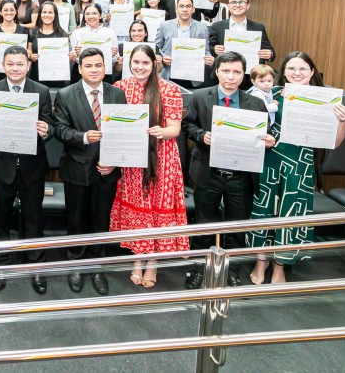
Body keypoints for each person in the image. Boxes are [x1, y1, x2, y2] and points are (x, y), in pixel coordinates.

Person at [248, 52, 345, 285]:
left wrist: (342, 121)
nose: (297, 73)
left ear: (312, 72)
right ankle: (260, 260)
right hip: (269, 161)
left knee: (290, 214)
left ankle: (280, 265)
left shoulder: (326, 99)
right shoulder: (270, 93)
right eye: (291, 68)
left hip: (299, 166)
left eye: (303, 68)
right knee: (263, 210)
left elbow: (334, 143)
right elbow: (252, 126)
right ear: (283, 71)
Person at [182, 51, 274, 289]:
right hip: (208, 172)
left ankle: (231, 270)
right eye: (226, 71)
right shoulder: (200, 97)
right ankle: (200, 268)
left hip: (241, 175)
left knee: (236, 227)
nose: (231, 77)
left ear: (244, 75)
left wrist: (268, 140)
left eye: (236, 72)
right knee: (204, 225)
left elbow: (266, 133)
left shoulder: (255, 103)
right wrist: (201, 135)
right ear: (217, 72)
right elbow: (187, 124)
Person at [0, 45, 54, 295]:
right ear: (2, 65)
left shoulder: (41, 91)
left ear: (28, 65)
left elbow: (51, 125)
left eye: (20, 64)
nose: (15, 68)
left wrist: (47, 130)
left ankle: (35, 266)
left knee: (33, 218)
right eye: (10, 64)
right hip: (3, 166)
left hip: (32, 167)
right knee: (0, 219)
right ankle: (1, 265)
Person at [54, 47, 127, 295]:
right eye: (88, 66)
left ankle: (97, 266)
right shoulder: (65, 94)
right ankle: (76, 264)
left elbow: (124, 131)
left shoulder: (117, 94)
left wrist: (115, 162)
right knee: (76, 220)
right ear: (80, 69)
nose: (94, 70)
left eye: (98, 65)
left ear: (105, 68)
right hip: (77, 168)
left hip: (107, 169)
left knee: (100, 220)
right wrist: (83, 136)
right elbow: (59, 130)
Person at [111, 44, 186, 287]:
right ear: (129, 63)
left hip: (162, 157)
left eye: (145, 63)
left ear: (154, 64)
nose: (140, 67)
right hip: (132, 159)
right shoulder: (120, 87)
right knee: (138, 209)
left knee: (156, 209)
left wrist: (160, 131)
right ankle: (137, 259)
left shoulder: (170, 89)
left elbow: (175, 129)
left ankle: (152, 263)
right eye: (136, 62)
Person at [208, 0, 276, 73]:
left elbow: (270, 51)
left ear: (248, 6)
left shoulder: (258, 27)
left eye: (241, 2)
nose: (237, 5)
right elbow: (210, 48)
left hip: (250, 74)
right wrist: (214, 49)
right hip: (226, 73)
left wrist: (269, 54)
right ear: (228, 6)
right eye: (233, 2)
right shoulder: (217, 26)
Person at [154, 0, 213, 89]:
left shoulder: (202, 27)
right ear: (176, 9)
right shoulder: (164, 25)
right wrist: (163, 57)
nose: (185, 9)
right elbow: (156, 47)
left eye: (188, 6)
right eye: (181, 6)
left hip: (193, 75)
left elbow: (206, 51)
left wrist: (209, 59)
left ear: (193, 9)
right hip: (170, 73)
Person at [28, 1, 77, 90]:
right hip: (37, 77)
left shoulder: (62, 34)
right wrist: (30, 57)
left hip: (58, 78)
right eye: (44, 12)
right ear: (40, 14)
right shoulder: (32, 33)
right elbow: (29, 53)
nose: (47, 15)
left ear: (55, 15)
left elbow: (69, 55)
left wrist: (72, 57)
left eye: (50, 12)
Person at [70, 3, 119, 83]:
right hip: (80, 75)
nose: (91, 16)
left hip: (104, 74)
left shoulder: (110, 33)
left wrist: (112, 55)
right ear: (84, 16)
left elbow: (115, 62)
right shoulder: (77, 33)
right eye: (87, 14)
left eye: (94, 13)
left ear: (100, 15)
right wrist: (76, 55)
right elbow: (73, 57)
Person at [0, 0, 31, 83]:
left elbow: (29, 53)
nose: (9, 12)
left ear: (16, 12)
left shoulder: (24, 30)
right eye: (5, 10)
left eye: (12, 10)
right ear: (0, 12)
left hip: (18, 71)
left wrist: (29, 53)